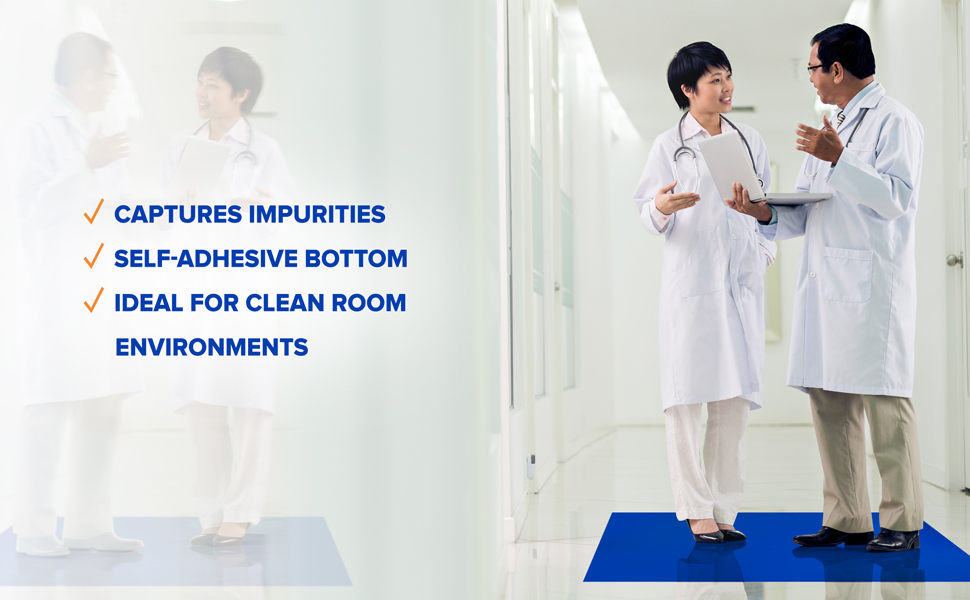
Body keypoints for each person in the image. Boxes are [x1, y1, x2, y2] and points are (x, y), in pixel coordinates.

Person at [726, 23, 924, 552]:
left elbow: (895, 198)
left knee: (885, 407)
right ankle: (848, 517)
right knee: (829, 401)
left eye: (813, 67)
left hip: (870, 285)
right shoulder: (828, 127)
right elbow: (809, 210)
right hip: (826, 282)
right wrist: (763, 210)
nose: (811, 78)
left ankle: (903, 521)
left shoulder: (895, 122)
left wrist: (840, 158)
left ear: (837, 68)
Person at [633, 42, 776, 543]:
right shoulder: (666, 146)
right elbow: (645, 213)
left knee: (732, 401)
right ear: (687, 90)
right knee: (685, 401)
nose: (726, 86)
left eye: (728, 76)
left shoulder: (750, 138)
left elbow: (767, 211)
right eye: (714, 80)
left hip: (738, 286)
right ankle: (695, 509)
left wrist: (762, 251)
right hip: (691, 286)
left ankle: (723, 508)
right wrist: (663, 206)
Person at [8, 32, 144, 557]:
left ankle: (89, 525)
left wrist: (168, 210)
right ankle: (35, 530)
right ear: (89, 77)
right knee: (49, 409)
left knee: (104, 407)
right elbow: (31, 209)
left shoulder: (102, 130)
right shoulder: (34, 131)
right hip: (59, 290)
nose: (113, 87)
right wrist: (84, 164)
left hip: (105, 287)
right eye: (110, 76)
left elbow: (121, 206)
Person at [159, 46, 297, 547]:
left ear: (240, 95)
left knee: (251, 406)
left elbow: (287, 220)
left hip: (249, 292)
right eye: (200, 81)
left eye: (213, 84)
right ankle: (212, 513)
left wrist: (257, 208)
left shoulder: (265, 151)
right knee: (203, 405)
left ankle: (240, 512)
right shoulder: (180, 146)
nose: (202, 91)